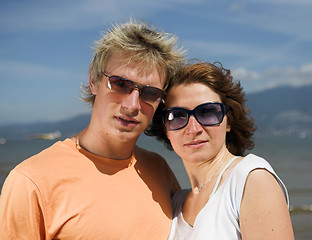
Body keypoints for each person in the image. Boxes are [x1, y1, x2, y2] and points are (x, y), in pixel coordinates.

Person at [0, 19, 185, 239]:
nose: (132, 105)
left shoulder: (159, 169)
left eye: (150, 93)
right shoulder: (30, 181)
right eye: (120, 84)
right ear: (93, 80)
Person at [146, 61, 295, 239]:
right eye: (177, 116)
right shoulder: (176, 203)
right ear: (165, 129)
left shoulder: (250, 179)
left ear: (228, 121)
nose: (193, 129)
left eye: (207, 112)